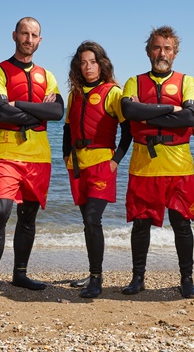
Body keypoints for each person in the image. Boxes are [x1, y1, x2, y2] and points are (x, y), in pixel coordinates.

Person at [0, 17, 64, 306]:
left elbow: (58, 112)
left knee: (28, 217)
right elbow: (1, 113)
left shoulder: (48, 76)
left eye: (34, 35)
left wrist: (18, 104)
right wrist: (39, 112)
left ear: (40, 40)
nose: (29, 39)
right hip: (6, 153)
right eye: (24, 33)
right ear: (14, 35)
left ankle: (20, 274)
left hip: (39, 157)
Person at [120, 26, 194, 299]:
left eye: (167, 48)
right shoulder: (134, 82)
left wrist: (147, 115)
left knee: (182, 224)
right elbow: (129, 110)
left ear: (175, 53)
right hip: (144, 166)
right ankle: (138, 277)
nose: (162, 53)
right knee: (141, 224)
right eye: (157, 47)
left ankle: (187, 279)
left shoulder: (187, 82)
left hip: (179, 166)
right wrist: (170, 109)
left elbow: (190, 117)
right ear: (148, 51)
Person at [63, 41, 132, 298]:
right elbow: (68, 129)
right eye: (83, 62)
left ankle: (96, 279)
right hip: (77, 164)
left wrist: (116, 160)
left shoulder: (113, 92)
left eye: (92, 62)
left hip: (103, 163)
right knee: (87, 222)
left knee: (93, 218)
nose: (88, 67)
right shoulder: (75, 95)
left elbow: (128, 130)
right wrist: (64, 155)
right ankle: (92, 271)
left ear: (101, 64)